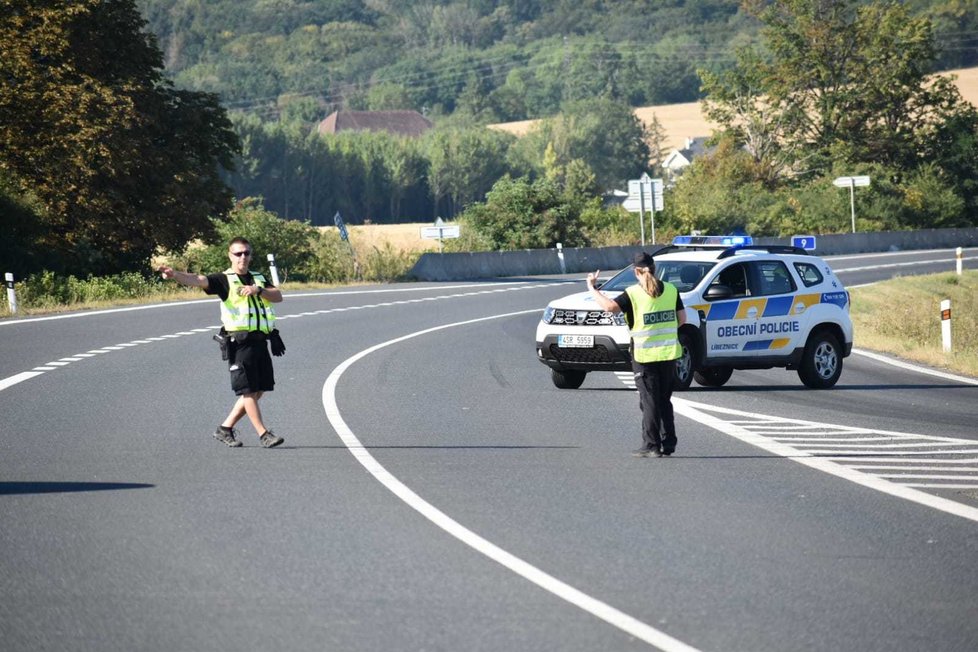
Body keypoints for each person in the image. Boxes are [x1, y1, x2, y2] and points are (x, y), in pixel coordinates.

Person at [159, 237, 285, 448]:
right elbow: (198, 280)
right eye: (238, 253)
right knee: (248, 390)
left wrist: (259, 290)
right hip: (240, 342)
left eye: (246, 253)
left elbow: (278, 296)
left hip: (261, 341)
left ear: (251, 255)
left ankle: (224, 429)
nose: (242, 257)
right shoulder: (224, 279)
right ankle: (264, 434)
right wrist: (175, 275)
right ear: (230, 255)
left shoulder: (258, 277)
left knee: (259, 389)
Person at [586, 252, 686, 458]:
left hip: (645, 356)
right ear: (655, 268)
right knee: (664, 400)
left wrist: (592, 287)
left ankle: (651, 445)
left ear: (635, 272)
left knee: (649, 401)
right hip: (669, 354)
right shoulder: (671, 290)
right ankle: (668, 442)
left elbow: (609, 307)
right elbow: (682, 320)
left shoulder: (633, 293)